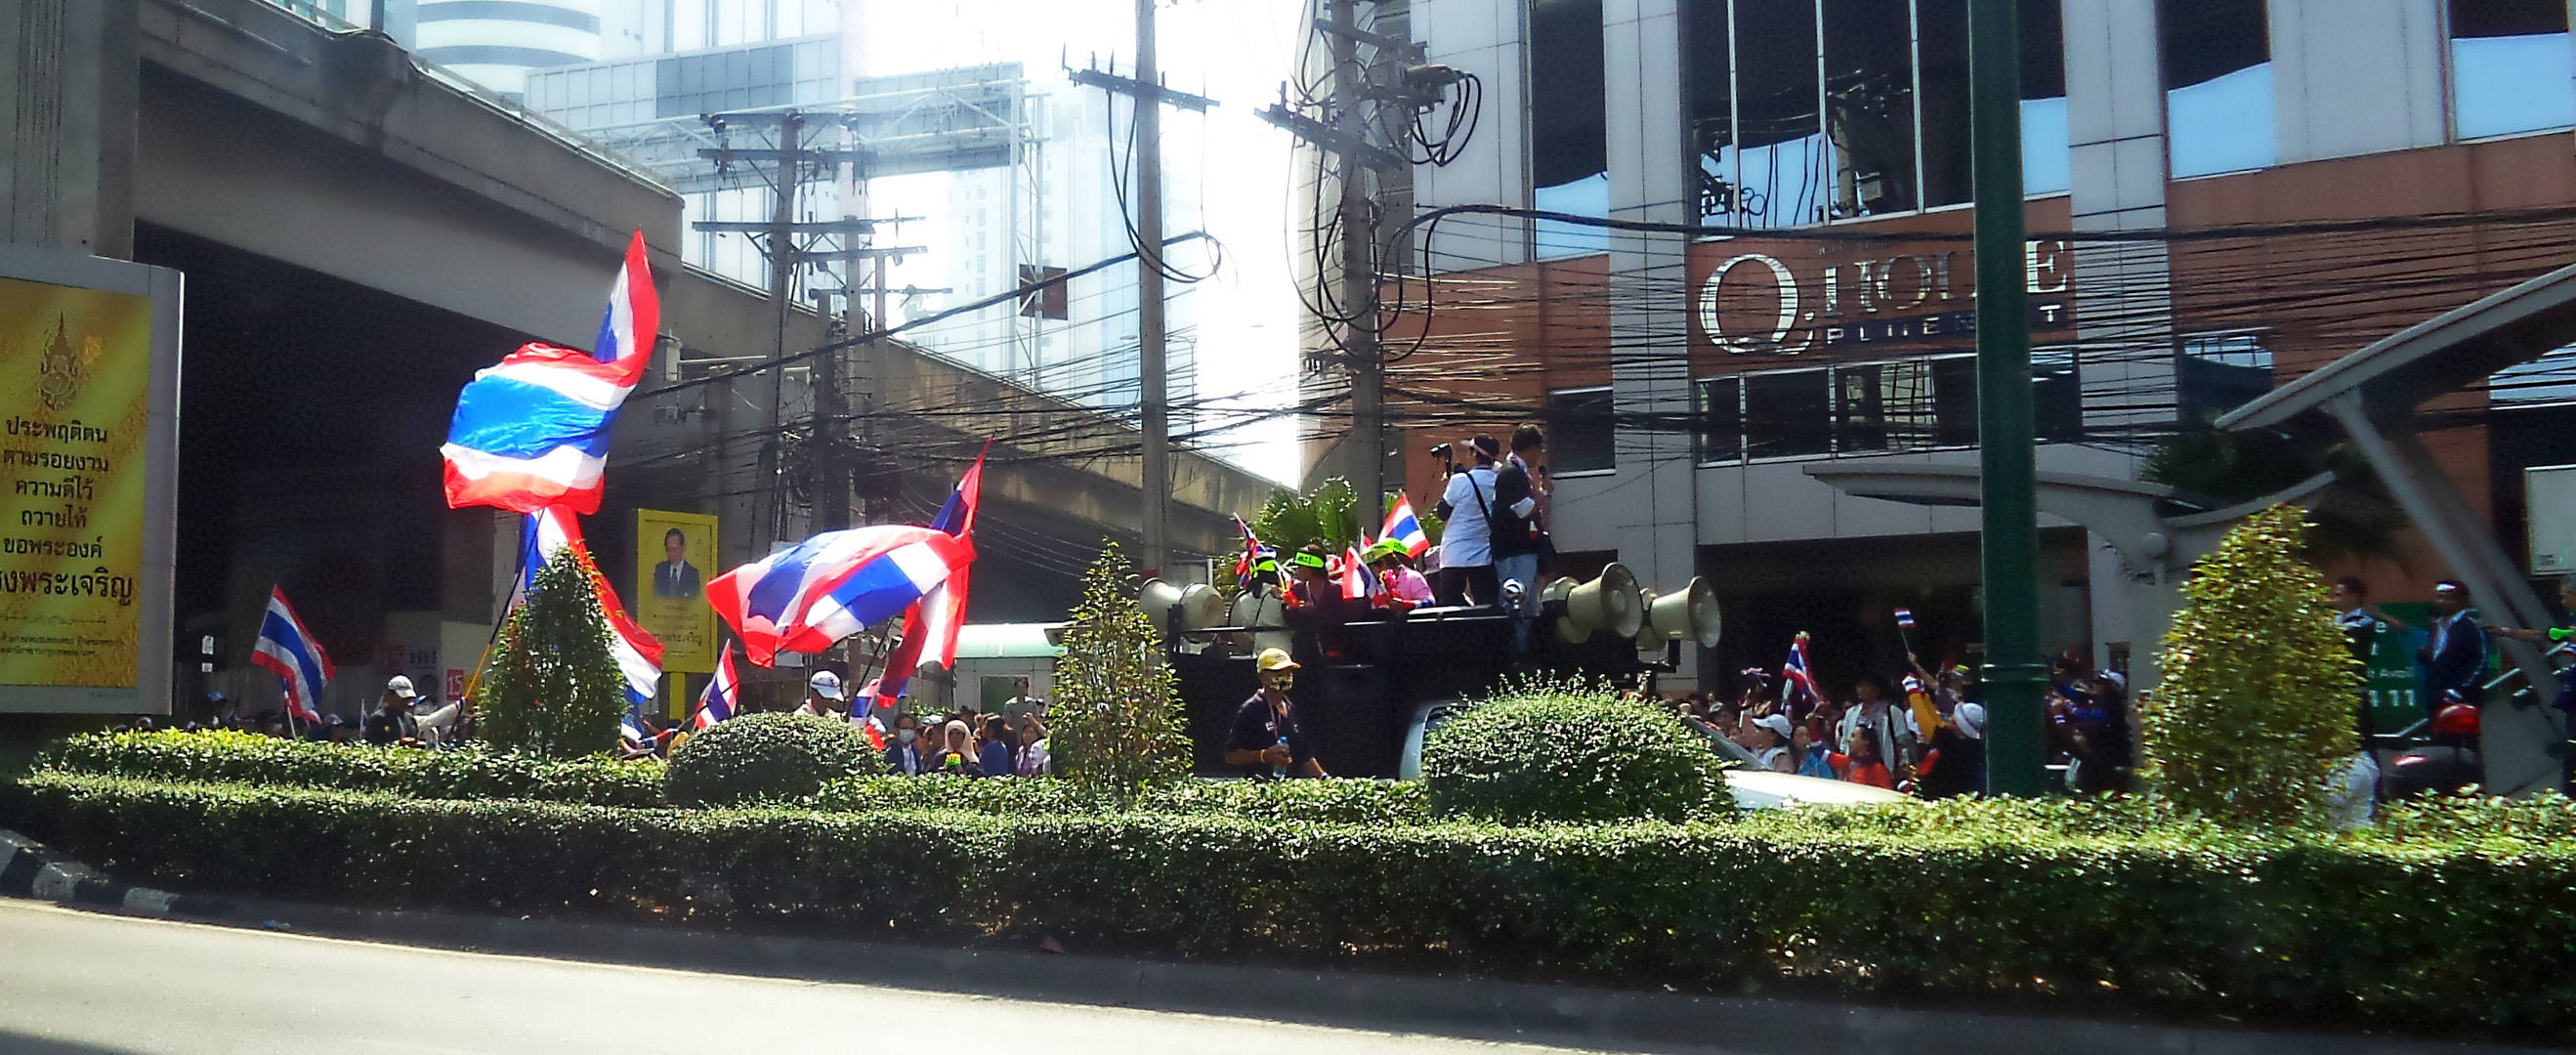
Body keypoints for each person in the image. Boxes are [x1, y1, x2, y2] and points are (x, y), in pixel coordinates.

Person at [1223, 648, 1327, 779]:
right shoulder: (1251, 709)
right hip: (1259, 788)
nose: (1284, 676)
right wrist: (1264, 756)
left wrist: (1324, 778)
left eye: (1288, 671)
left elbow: (1303, 753)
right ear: (1262, 676)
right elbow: (1230, 755)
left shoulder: (1290, 707)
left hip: (1287, 788)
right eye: (1277, 672)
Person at [1490, 425, 1549, 644]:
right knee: (1516, 602)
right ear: (1532, 447)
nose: (1541, 454)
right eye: (1540, 448)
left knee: (1530, 605)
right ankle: (1512, 650)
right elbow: (1523, 510)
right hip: (1514, 550)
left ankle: (1525, 649)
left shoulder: (1517, 471)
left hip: (1523, 548)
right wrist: (1544, 493)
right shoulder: (1511, 473)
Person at [1430, 435, 1502, 607]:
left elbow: (1442, 513)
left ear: (1474, 454)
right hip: (1484, 555)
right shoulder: (1498, 481)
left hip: (1454, 554)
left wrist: (1448, 486)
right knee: (1486, 606)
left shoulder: (1460, 481)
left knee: (1452, 607)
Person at [2421, 580, 2487, 717]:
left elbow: (2480, 661)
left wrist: (2460, 689)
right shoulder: (2435, 626)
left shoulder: (2470, 627)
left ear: (2461, 601)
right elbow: (2437, 657)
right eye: (2439, 597)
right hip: (2436, 694)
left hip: (2461, 698)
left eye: (2448, 598)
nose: (2442, 602)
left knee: (2461, 736)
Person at [1226, 560, 1292, 655]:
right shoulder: (1281, 596)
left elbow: (1247, 623)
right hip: (1283, 651)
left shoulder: (1243, 597)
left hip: (1260, 651)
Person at [1369, 541, 1435, 613]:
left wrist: (1406, 605)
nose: (1373, 571)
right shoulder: (1374, 585)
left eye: (1374, 565)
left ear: (1384, 562)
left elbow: (1430, 603)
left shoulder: (1413, 578)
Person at [362, 675, 424, 747]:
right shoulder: (378, 719)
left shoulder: (410, 720)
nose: (407, 703)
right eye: (403, 699)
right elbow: (371, 745)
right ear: (389, 696)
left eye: (409, 699)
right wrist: (398, 744)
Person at [652, 528, 702, 600]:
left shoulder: (693, 574)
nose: (672, 553)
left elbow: (695, 601)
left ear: (683, 548)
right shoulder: (660, 570)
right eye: (668, 549)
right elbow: (655, 597)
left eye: (675, 549)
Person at [884, 712, 926, 776]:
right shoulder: (890, 749)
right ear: (896, 729)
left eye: (911, 729)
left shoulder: (915, 750)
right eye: (905, 728)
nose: (908, 732)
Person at [978, 715, 1014, 779]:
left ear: (991, 730)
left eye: (985, 725)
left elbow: (984, 767)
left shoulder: (989, 748)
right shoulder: (1002, 746)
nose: (982, 728)